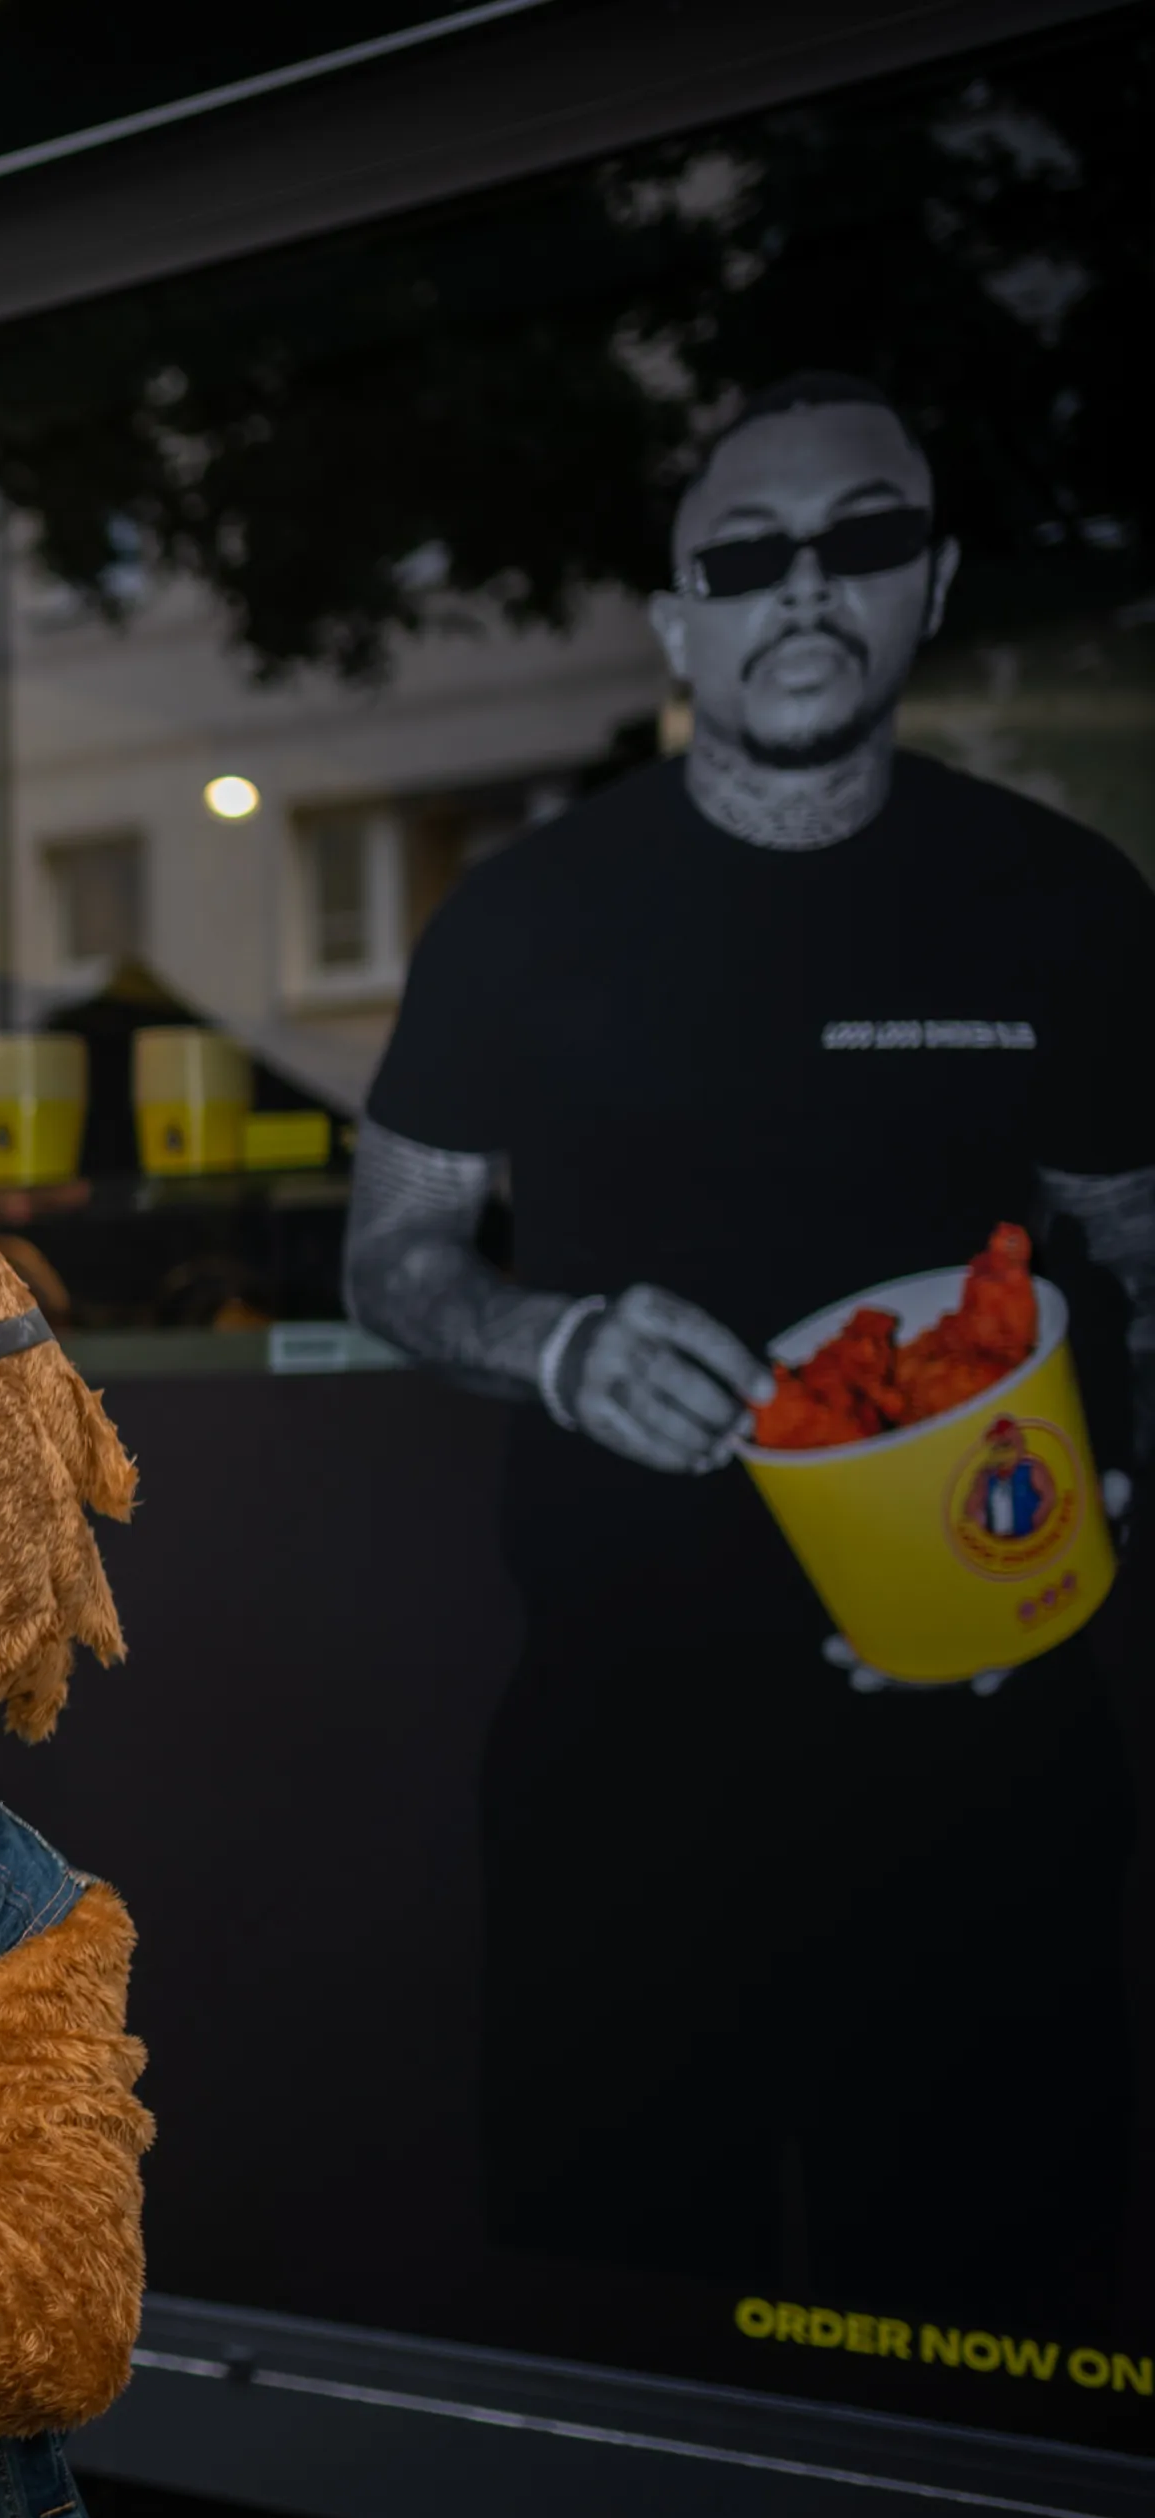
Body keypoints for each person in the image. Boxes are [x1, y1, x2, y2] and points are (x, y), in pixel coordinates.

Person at [347, 373, 1155, 2320]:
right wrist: (552, 1340)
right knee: (627, 2333)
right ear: (677, 617)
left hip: (987, 1769)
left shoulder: (1057, 903)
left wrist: (1101, 1474)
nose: (803, 588)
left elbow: (1136, 1245)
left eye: (859, 541)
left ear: (928, 583)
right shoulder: (525, 917)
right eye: (746, 557)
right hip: (630, 1777)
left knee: (981, 2337)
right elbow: (395, 1253)